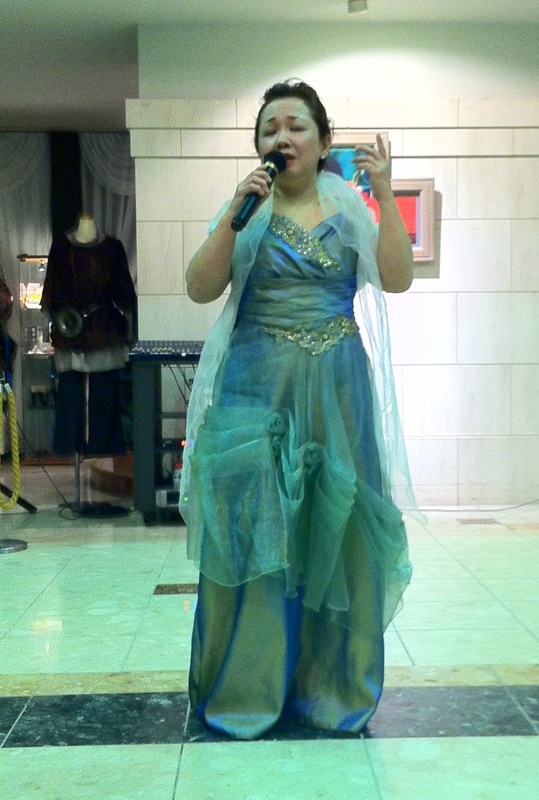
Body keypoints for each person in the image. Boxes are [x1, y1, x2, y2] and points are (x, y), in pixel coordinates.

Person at [180, 79, 418, 740]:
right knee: (253, 532)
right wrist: (235, 211)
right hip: (255, 394)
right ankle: (247, 687)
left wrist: (386, 194)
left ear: (323, 140)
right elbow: (199, 287)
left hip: (338, 398)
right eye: (269, 129)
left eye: (295, 126)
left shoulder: (349, 208)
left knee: (334, 534)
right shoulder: (247, 208)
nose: (281, 138)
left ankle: (329, 688)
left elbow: (396, 279)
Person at [41, 214, 136, 455]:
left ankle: (101, 451)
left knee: (104, 396)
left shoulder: (112, 248)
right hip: (70, 329)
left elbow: (124, 295)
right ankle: (71, 450)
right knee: (70, 397)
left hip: (103, 333)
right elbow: (51, 291)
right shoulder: (61, 247)